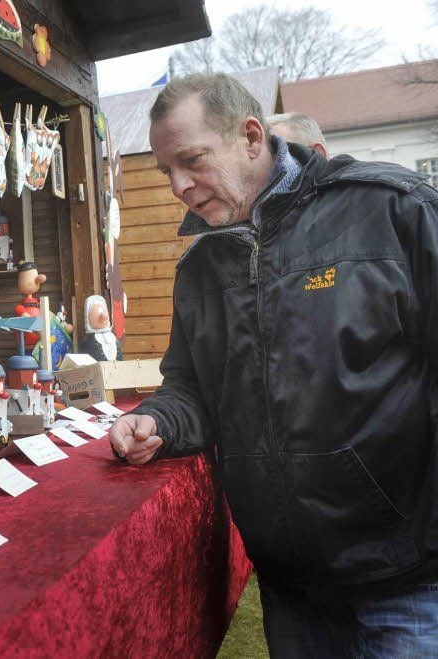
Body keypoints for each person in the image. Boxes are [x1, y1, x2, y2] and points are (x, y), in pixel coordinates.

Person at [108, 73, 438, 656]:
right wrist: (158, 420)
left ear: (251, 137)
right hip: (291, 586)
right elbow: (190, 385)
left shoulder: (390, 209)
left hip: (407, 579)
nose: (179, 186)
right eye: (167, 171)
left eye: (192, 161)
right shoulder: (201, 266)